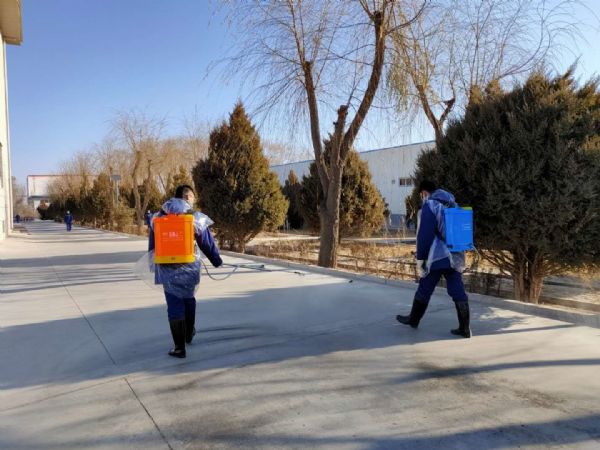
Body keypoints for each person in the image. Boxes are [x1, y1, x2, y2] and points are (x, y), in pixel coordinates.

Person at [148, 184, 223, 358]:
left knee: (174, 304)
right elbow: (206, 242)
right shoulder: (194, 217)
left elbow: (153, 245)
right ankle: (188, 333)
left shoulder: (158, 217)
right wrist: (216, 260)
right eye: (193, 197)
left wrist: (153, 265)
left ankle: (179, 348)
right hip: (189, 268)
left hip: (166, 268)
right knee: (189, 299)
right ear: (188, 196)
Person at [396, 180, 471, 338]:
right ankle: (465, 328)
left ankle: (413, 320)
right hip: (455, 256)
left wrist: (421, 257)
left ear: (424, 192)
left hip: (437, 257)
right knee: (457, 289)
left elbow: (425, 235)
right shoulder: (453, 204)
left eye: (421, 195)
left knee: (425, 287)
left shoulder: (430, 205)